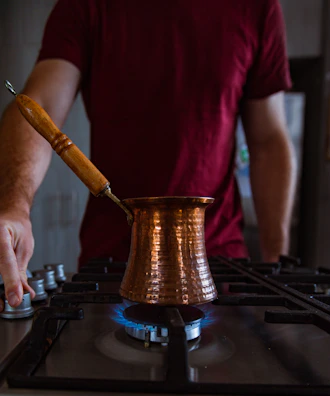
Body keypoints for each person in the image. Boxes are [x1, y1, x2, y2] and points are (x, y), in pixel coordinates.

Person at [0, 0, 296, 309]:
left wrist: (274, 260)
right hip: (113, 267)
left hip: (220, 266)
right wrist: (15, 205)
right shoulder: (84, 5)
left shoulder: (256, 7)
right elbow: (38, 109)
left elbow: (268, 142)